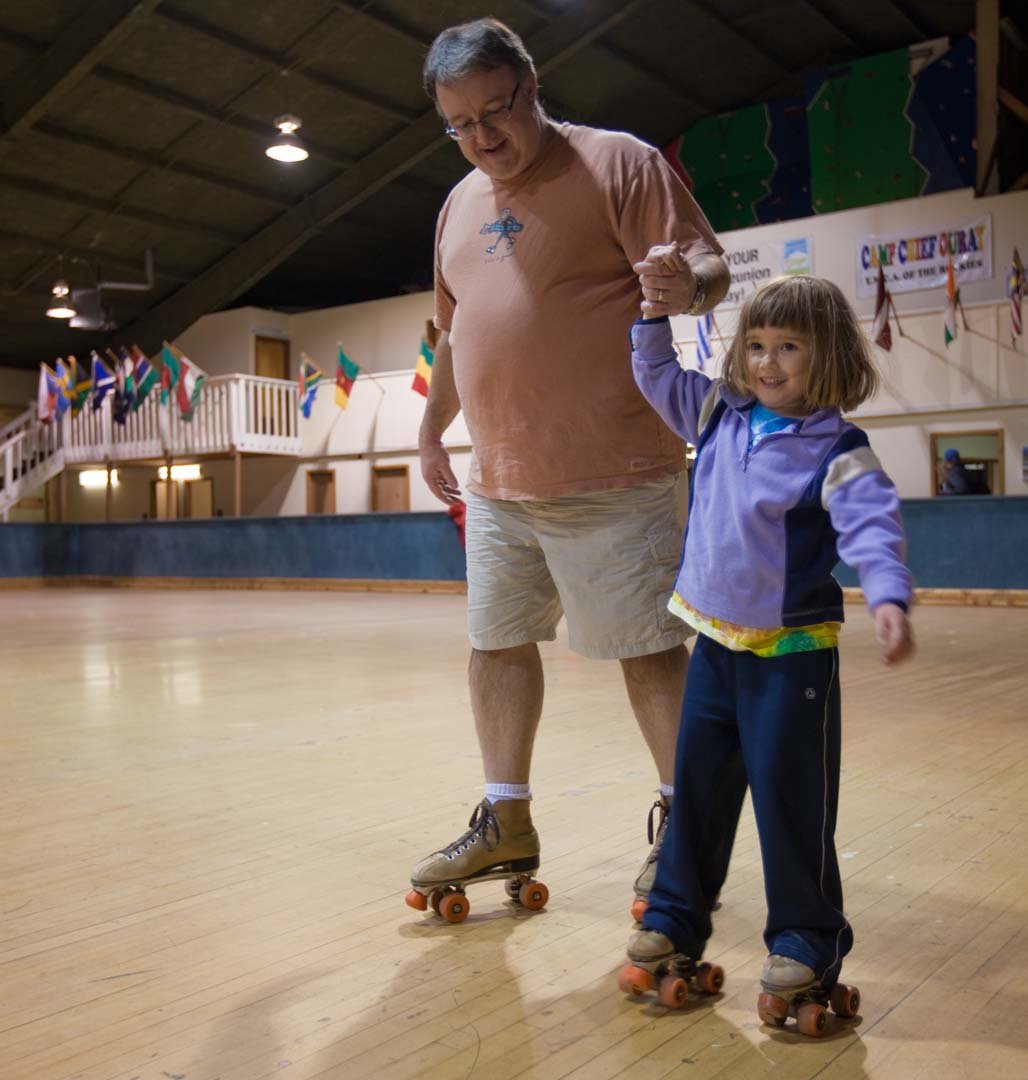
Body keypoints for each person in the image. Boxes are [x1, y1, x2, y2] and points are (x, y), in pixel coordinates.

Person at [407, 17, 730, 920]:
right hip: (501, 479)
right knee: (495, 645)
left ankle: (686, 824)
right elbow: (456, 331)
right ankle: (505, 819)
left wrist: (687, 286)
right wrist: (434, 432)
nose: (481, 139)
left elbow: (709, 263)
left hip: (618, 468)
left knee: (648, 652)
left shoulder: (618, 163)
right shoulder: (457, 204)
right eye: (459, 125)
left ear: (532, 85)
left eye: (494, 113)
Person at [619, 275, 915, 1031]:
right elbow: (655, 373)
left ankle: (806, 942)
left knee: (791, 803)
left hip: (792, 659)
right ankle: (675, 921)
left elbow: (872, 524)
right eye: (756, 345)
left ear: (831, 357)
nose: (768, 363)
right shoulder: (720, 412)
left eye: (789, 347)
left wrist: (886, 593)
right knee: (698, 792)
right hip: (715, 647)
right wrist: (652, 313)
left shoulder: (839, 447)